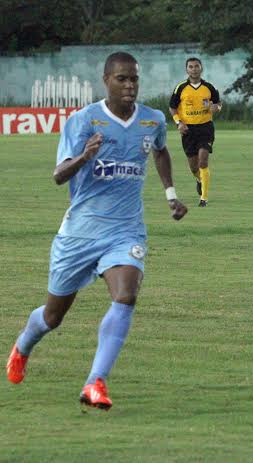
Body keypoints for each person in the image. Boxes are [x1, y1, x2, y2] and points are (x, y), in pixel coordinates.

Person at [6, 52, 188, 410]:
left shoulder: (151, 120)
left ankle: (94, 383)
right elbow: (59, 176)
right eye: (122, 79)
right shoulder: (83, 121)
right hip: (80, 234)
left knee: (126, 296)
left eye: (134, 79)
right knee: (52, 316)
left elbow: (161, 152)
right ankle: (23, 345)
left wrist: (171, 195)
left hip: (126, 231)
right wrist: (85, 158)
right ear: (106, 80)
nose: (130, 85)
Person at [169, 57, 222, 206]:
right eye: (191, 67)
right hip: (188, 130)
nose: (194, 69)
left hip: (205, 128)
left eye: (196, 66)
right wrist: (179, 123)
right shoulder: (180, 88)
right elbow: (172, 107)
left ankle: (203, 198)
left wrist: (216, 108)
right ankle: (199, 179)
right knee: (193, 166)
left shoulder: (209, 87)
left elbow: (218, 104)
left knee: (203, 161)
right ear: (187, 70)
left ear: (201, 68)